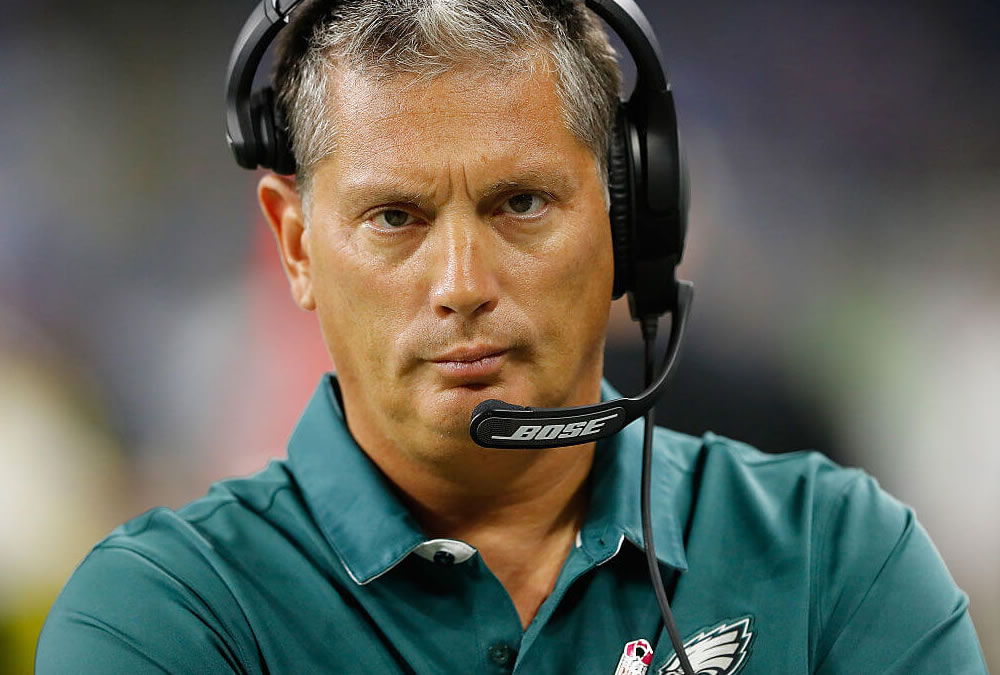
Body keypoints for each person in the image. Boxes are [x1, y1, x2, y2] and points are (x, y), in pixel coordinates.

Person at [36, 1, 986, 673]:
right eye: (395, 217)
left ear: (626, 220)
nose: (461, 286)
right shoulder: (165, 615)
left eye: (521, 203)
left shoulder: (837, 558)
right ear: (295, 245)